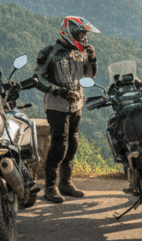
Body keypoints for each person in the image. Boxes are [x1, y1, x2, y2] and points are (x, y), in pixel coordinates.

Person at [34, 16, 99, 203]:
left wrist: (92, 58)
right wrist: (61, 92)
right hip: (57, 106)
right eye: (80, 34)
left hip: (77, 105)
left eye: (85, 35)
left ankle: (66, 183)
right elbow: (37, 79)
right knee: (59, 146)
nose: (83, 38)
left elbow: (89, 74)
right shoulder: (50, 52)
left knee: (73, 145)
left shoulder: (80, 52)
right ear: (69, 33)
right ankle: (50, 187)